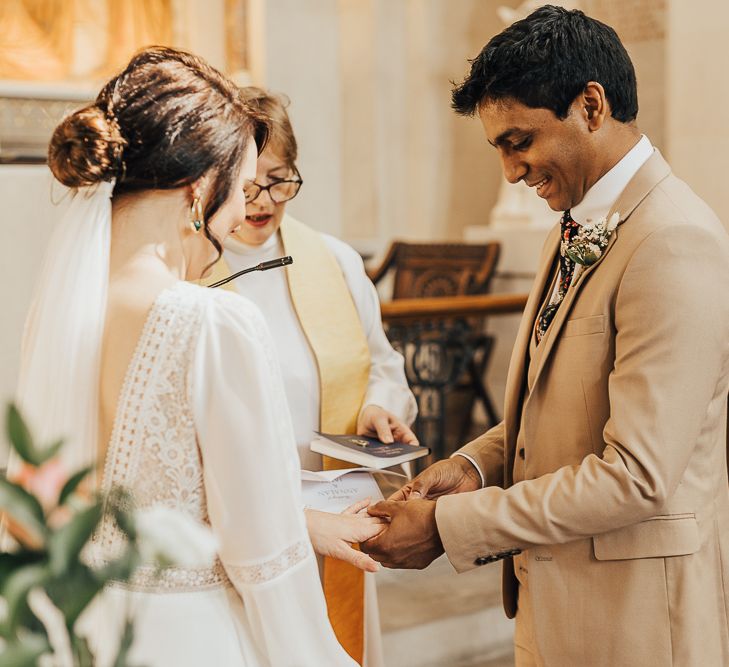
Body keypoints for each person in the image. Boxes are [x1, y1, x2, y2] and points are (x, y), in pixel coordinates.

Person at [361, 6, 729, 666]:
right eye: (499, 147)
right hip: (557, 600)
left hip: (635, 619)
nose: (509, 171)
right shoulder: (577, 221)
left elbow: (635, 475)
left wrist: (450, 527)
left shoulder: (672, 239)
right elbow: (555, 407)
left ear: (590, 105)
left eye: (518, 141)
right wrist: (471, 465)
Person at [16, 46, 383, 666]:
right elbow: (263, 560)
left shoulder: (65, 307)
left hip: (91, 628)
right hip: (194, 638)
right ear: (199, 191)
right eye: (241, 189)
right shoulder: (211, 320)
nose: (244, 211)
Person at [206, 86, 418, 666]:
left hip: (332, 513)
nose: (263, 200)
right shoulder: (192, 269)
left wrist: (379, 404)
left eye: (280, 180)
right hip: (238, 529)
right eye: (249, 183)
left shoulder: (334, 260)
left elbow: (381, 364)